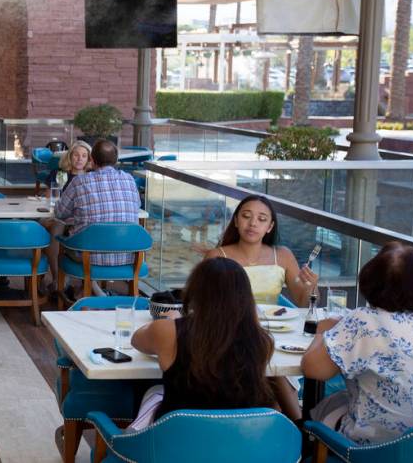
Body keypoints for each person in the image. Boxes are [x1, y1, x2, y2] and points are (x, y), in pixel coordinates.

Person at [302, 242, 413, 445]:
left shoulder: (363, 320)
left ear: (370, 282)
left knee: (324, 409)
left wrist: (324, 331)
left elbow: (312, 369)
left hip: (384, 451)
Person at [128, 258, 276, 428]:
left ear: (195, 291)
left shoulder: (170, 331)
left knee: (152, 393)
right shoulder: (261, 341)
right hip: (237, 445)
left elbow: (137, 340)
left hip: (177, 444)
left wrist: (169, 320)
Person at [54, 139, 141, 295]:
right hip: (128, 257)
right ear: (115, 161)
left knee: (66, 240)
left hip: (88, 257)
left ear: (92, 160)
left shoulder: (80, 182)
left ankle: (73, 291)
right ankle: (91, 292)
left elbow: (60, 213)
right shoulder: (130, 180)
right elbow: (137, 206)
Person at [204, 195, 318, 308]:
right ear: (236, 221)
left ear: (270, 227)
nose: (253, 223)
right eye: (246, 216)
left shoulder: (283, 256)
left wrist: (311, 287)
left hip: (275, 325)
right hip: (229, 325)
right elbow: (201, 301)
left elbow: (304, 305)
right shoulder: (216, 256)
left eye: (262, 219)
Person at [41, 140, 92, 289]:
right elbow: (49, 197)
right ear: (69, 157)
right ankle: (58, 279)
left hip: (81, 220)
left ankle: (81, 281)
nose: (79, 159)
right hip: (59, 216)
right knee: (53, 228)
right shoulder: (59, 173)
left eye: (84, 156)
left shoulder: (92, 176)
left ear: (89, 159)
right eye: (76, 155)